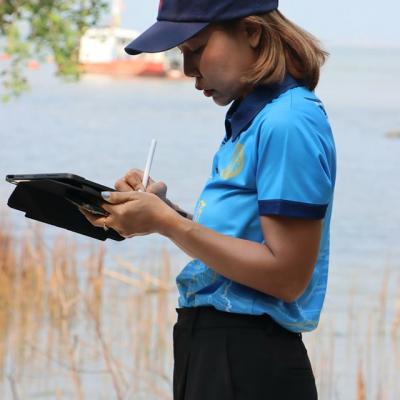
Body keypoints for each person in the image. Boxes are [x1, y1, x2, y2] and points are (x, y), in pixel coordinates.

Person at [81, 0, 336, 399]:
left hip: (249, 359)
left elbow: (287, 276)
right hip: (214, 349)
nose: (187, 69)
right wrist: (164, 213)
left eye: (196, 49)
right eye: (181, 53)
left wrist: (167, 224)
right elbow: (242, 246)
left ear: (252, 32)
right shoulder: (255, 118)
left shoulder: (287, 122)